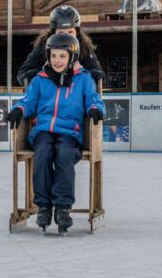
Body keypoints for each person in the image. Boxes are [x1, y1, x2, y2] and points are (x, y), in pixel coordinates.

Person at [7, 33, 105, 235]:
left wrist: (96, 110)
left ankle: (62, 207)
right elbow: (29, 101)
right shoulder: (40, 79)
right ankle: (44, 206)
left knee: (65, 155)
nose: (57, 61)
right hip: (43, 130)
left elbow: (94, 99)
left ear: (71, 57)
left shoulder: (83, 79)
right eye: (53, 56)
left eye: (62, 56)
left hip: (69, 132)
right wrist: (19, 110)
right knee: (42, 154)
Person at [17, 5, 105, 87]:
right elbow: (23, 75)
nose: (66, 37)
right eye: (61, 33)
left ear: (77, 33)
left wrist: (82, 73)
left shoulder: (84, 47)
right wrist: (47, 73)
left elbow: (100, 78)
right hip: (48, 97)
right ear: (53, 33)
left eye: (70, 32)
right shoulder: (43, 45)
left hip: (75, 97)